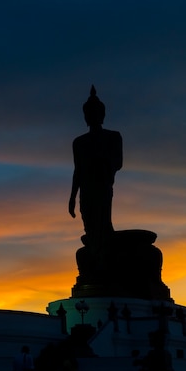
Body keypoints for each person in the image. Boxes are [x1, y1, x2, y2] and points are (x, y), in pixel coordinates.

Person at [68, 85, 122, 250]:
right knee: (90, 226)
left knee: (103, 224)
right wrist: (72, 197)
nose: (92, 116)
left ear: (102, 114)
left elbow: (118, 163)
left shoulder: (113, 137)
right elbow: (78, 170)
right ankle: (96, 261)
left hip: (102, 186)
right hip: (86, 190)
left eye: (95, 112)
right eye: (88, 113)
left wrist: (101, 161)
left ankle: (106, 260)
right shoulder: (79, 142)